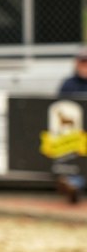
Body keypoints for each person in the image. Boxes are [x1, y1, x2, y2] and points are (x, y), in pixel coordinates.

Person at [53, 47, 87, 202]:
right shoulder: (68, 84)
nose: (85, 66)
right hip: (73, 134)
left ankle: (73, 184)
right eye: (83, 62)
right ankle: (72, 185)